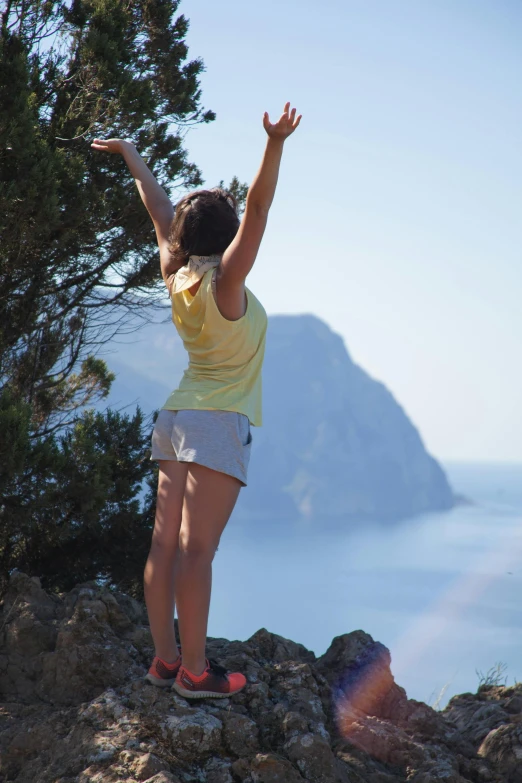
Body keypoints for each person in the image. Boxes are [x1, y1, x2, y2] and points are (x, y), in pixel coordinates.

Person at [91, 101, 302, 699]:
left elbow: (159, 207)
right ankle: (195, 673)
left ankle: (163, 661)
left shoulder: (175, 272)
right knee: (198, 552)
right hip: (216, 423)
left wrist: (132, 154)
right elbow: (259, 207)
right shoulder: (226, 284)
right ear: (228, 236)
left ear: (184, 237)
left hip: (176, 415)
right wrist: (275, 143)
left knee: (164, 545)